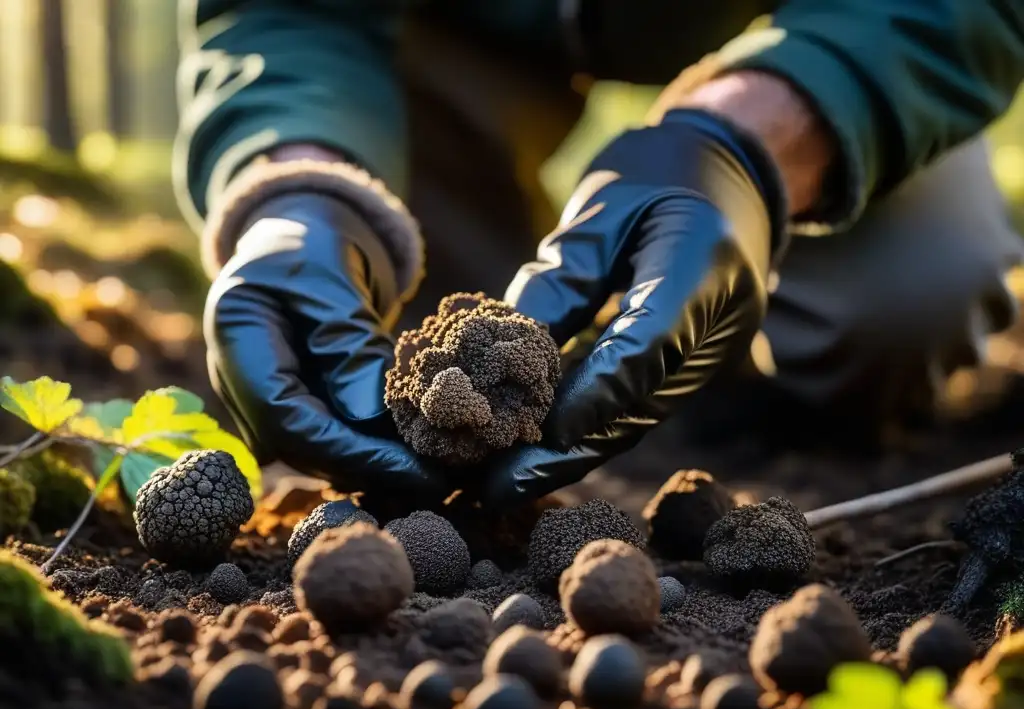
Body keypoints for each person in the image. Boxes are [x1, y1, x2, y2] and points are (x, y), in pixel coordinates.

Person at [174, 1, 1024, 512]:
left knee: (911, 297)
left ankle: (709, 360)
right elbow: (282, 11)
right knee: (376, 358)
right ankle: (574, 337)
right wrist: (293, 185)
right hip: (441, 47)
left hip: (802, 34)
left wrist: (753, 140)